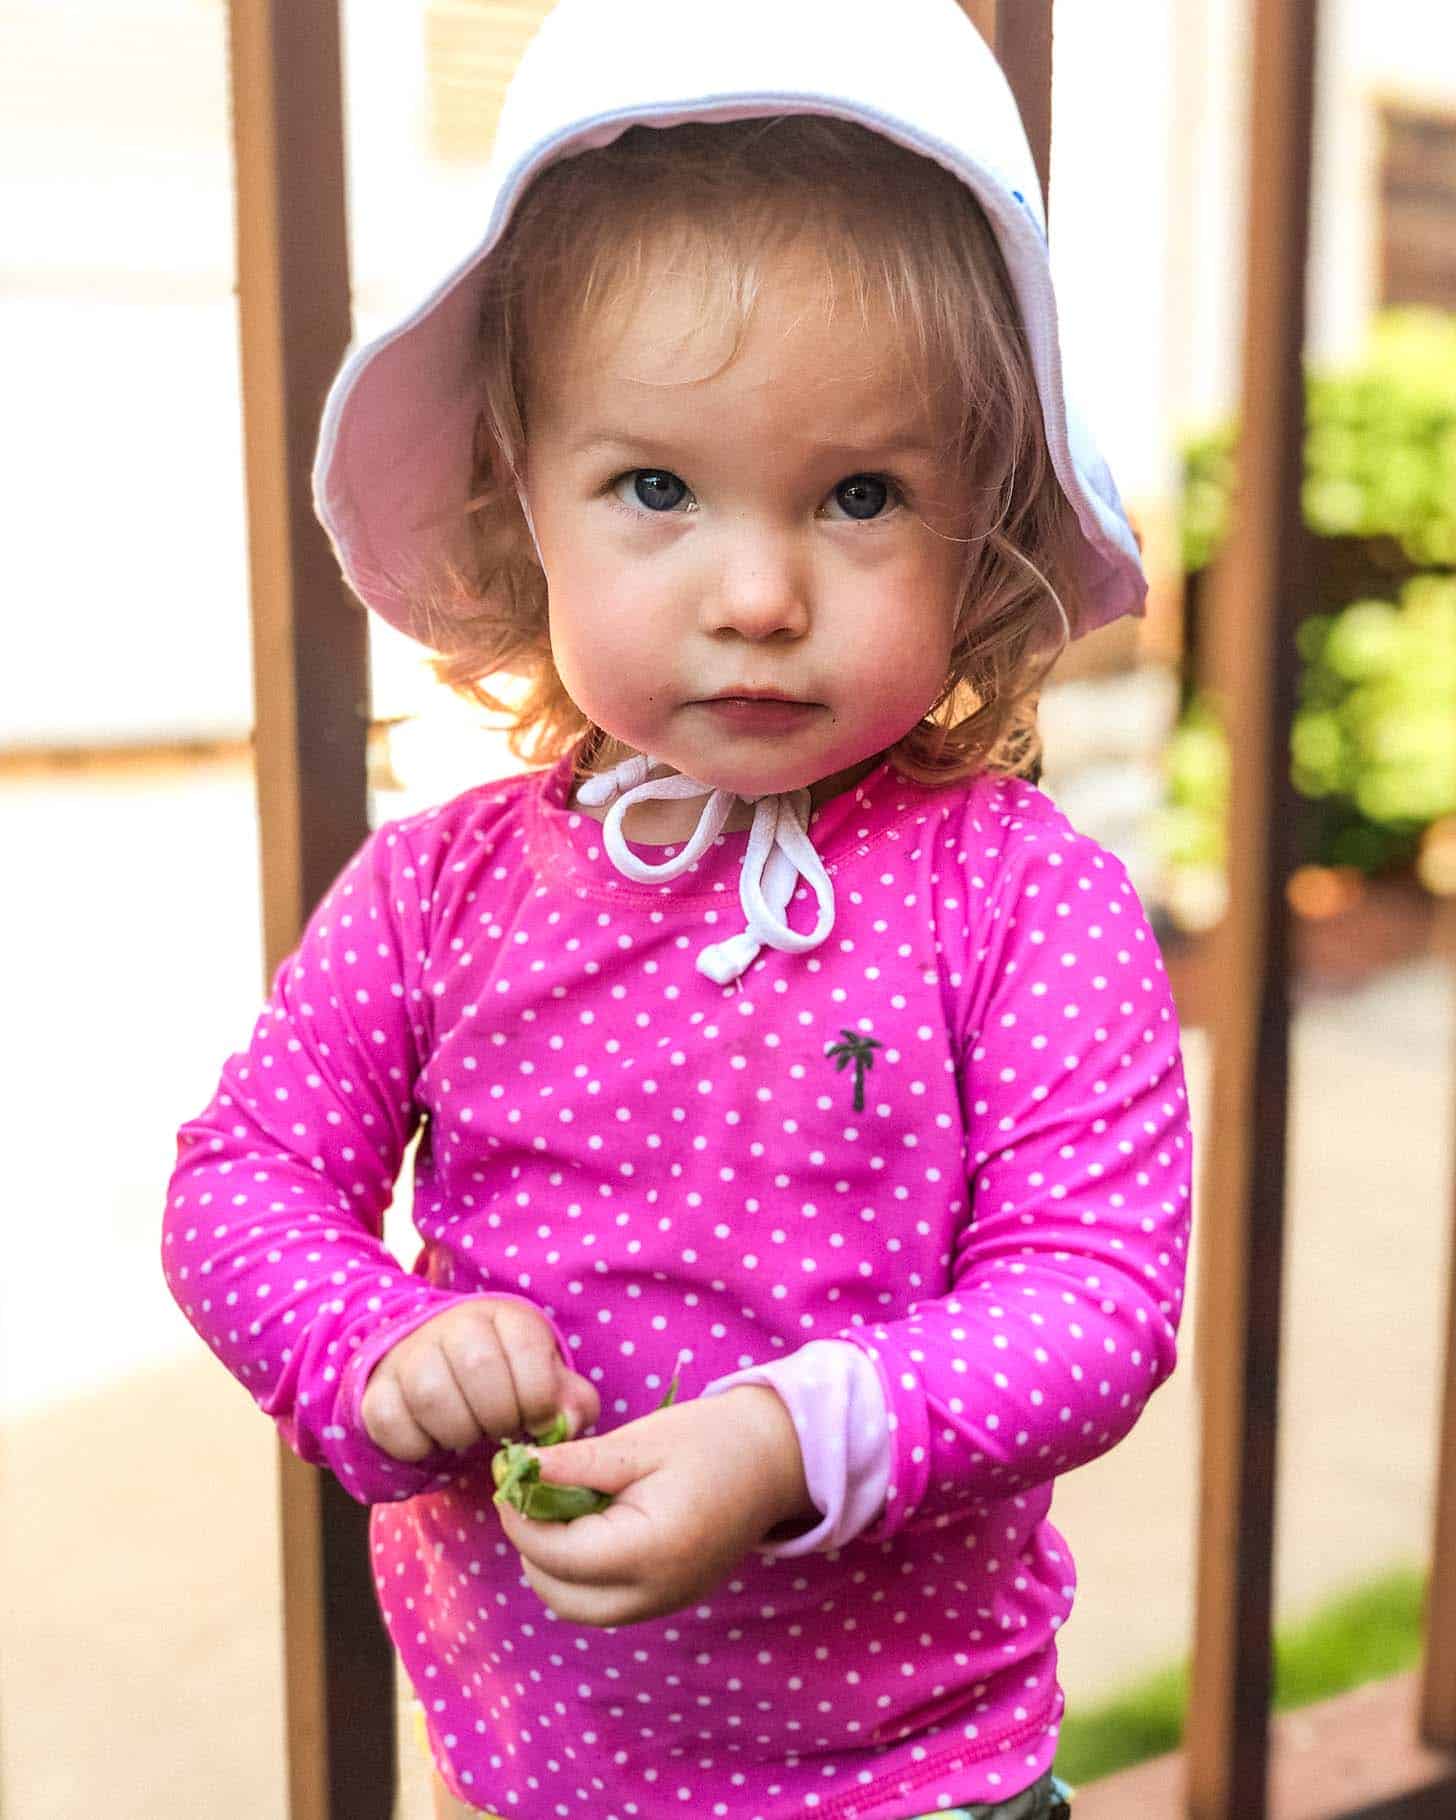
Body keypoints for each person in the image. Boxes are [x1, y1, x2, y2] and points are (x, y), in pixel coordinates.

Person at [162, 2, 1194, 1815]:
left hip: (919, 1779)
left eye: (862, 494)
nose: (759, 591)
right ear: (520, 513)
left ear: (987, 530)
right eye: (657, 486)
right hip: (534, 1768)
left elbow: (1093, 1298)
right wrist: (373, 1343)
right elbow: (245, 1179)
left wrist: (791, 1440)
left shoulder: (1027, 903)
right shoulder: (441, 891)